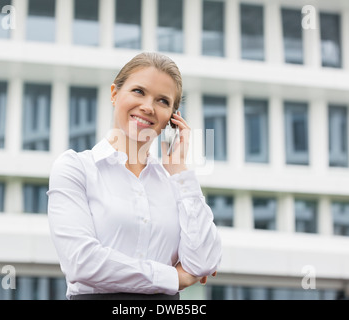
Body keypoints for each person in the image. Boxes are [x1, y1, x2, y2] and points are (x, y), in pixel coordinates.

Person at [47, 52, 222, 300]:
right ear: (114, 94)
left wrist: (180, 170)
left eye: (162, 101)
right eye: (139, 91)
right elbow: (82, 262)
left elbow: (204, 260)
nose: (148, 107)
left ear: (172, 118)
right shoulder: (76, 168)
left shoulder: (175, 183)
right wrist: (174, 277)